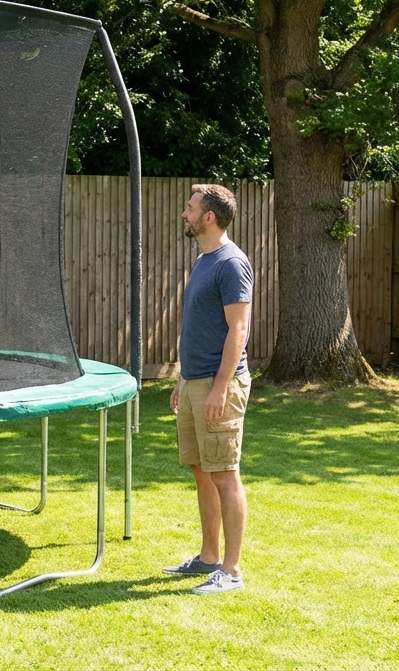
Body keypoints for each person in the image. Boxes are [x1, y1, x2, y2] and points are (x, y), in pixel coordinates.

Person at [162, 183, 253, 595]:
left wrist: (219, 388)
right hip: (195, 382)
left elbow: (238, 329)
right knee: (202, 472)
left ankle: (231, 572)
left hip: (221, 386)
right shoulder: (204, 261)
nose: (185, 213)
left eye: (190, 207)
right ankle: (208, 558)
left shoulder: (231, 264)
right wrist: (184, 379)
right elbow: (198, 329)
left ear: (209, 216)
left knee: (225, 476)